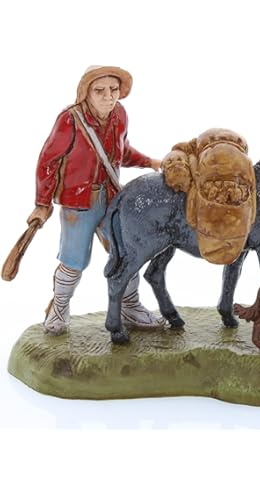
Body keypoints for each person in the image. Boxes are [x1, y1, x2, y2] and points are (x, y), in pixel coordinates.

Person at [27, 65, 164, 335]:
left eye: (113, 90)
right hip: (79, 203)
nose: (108, 96)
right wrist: (42, 204)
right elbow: (48, 162)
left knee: (128, 252)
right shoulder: (70, 120)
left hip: (112, 198)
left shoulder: (120, 115)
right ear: (86, 93)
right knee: (74, 259)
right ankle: (59, 307)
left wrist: (150, 162)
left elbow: (121, 151)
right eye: (99, 90)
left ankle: (129, 305)